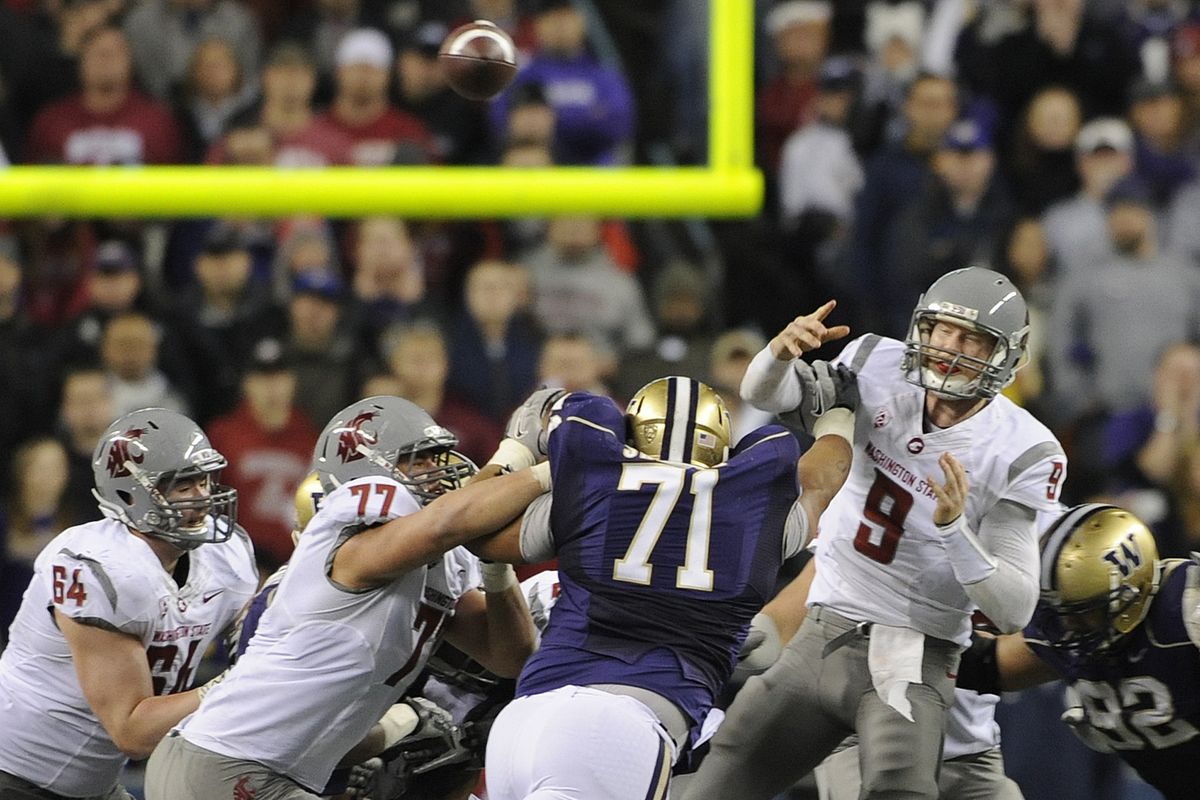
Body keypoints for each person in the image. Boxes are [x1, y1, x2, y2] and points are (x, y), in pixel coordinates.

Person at [685, 267, 1067, 800]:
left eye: (970, 338)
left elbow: (1013, 610)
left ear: (1004, 355)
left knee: (899, 788)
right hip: (827, 628)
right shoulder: (875, 363)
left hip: (915, 654)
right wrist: (779, 354)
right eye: (940, 330)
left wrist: (955, 531)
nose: (948, 348)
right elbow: (768, 394)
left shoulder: (1020, 447)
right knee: (723, 773)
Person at [479, 318, 862, 800]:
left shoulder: (593, 489)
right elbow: (823, 478)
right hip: (627, 726)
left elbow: (477, 533)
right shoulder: (756, 515)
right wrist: (838, 419)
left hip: (526, 715)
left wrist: (516, 456)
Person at [144, 394, 543, 799]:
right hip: (225, 763)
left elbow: (510, 657)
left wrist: (494, 564)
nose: (437, 473)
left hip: (255, 771)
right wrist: (540, 466)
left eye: (437, 459)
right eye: (418, 460)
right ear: (366, 471)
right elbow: (443, 525)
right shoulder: (353, 536)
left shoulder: (439, 557)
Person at [0, 407, 258, 800]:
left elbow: (260, 650)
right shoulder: (98, 566)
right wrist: (232, 683)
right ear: (129, 492)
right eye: (183, 486)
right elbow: (133, 732)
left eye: (205, 480)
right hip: (15, 775)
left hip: (92, 785)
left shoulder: (226, 556)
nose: (203, 497)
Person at [957, 504, 1200, 800]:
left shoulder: (1186, 611)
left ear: (1131, 592)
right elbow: (988, 665)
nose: (1068, 627)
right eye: (1061, 614)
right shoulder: (1079, 633)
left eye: (1083, 613)